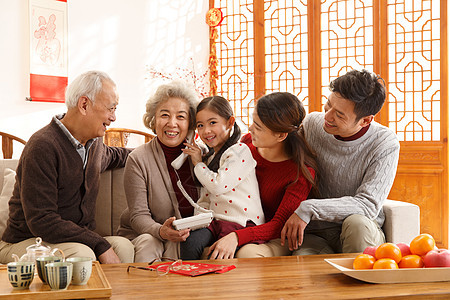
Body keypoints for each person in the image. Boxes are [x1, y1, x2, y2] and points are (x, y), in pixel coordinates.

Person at [0, 70, 135, 264]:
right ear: (84, 105)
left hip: (72, 241)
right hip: (26, 242)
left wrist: (158, 151)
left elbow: (116, 155)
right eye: (111, 108)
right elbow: (42, 220)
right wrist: (98, 243)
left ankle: (108, 295)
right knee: (83, 255)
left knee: (124, 246)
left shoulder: (94, 144)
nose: (113, 117)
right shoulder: (42, 146)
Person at [281, 69, 400, 255]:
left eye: (339, 115)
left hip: (358, 231)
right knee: (302, 263)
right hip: (316, 232)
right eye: (327, 105)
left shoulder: (384, 142)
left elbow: (368, 205)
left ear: (365, 120)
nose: (327, 117)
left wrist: (309, 208)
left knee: (357, 223)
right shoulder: (312, 124)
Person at [205, 92, 317, 259]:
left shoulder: (300, 173)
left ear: (281, 135)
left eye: (258, 126)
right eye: (253, 122)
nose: (250, 128)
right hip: (238, 223)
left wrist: (236, 237)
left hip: (273, 235)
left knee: (246, 255)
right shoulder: (247, 144)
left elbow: (279, 225)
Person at [117, 81, 200, 262]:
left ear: (191, 123)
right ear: (153, 119)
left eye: (181, 117)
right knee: (151, 242)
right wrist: (161, 231)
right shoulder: (138, 158)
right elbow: (138, 216)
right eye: (164, 115)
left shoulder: (202, 156)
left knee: (181, 244)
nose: (172, 123)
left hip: (185, 235)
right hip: (145, 233)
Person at [179, 96, 265, 260]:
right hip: (215, 221)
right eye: (200, 125)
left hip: (239, 222)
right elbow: (206, 197)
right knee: (190, 242)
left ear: (230, 122)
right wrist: (194, 222)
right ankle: (189, 282)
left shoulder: (240, 151)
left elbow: (218, 186)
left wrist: (197, 163)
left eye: (212, 123)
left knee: (218, 255)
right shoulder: (211, 157)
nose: (206, 131)